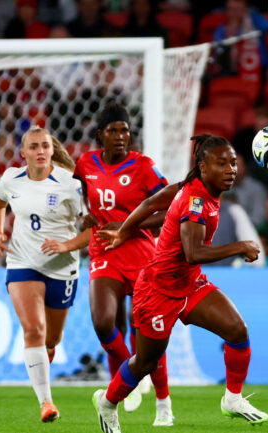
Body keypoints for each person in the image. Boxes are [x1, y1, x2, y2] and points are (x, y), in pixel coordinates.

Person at [92, 134, 268, 433]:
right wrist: (239, 246)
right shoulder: (195, 199)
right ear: (202, 166)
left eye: (233, 163)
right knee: (146, 363)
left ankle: (233, 399)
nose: (231, 169)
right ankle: (107, 403)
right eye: (221, 163)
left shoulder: (191, 188)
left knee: (237, 331)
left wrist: (124, 230)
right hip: (158, 291)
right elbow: (193, 252)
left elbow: (149, 203)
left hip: (190, 284)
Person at [72, 100, 173, 425]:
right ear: (100, 134)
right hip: (105, 253)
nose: (120, 136)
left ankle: (163, 404)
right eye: (113, 130)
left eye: (125, 130)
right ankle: (134, 370)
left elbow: (169, 210)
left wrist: (128, 226)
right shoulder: (85, 163)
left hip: (143, 256)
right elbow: (73, 193)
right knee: (105, 323)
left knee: (149, 332)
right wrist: (81, 215)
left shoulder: (143, 166)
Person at [0, 127, 86, 422]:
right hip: (22, 261)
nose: (40, 151)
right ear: (24, 153)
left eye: (45, 146)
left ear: (51, 150)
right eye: (34, 147)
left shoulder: (71, 185)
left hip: (62, 267)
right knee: (33, 330)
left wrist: (66, 245)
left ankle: (46, 353)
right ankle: (46, 403)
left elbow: (96, 228)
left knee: (51, 339)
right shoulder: (11, 179)